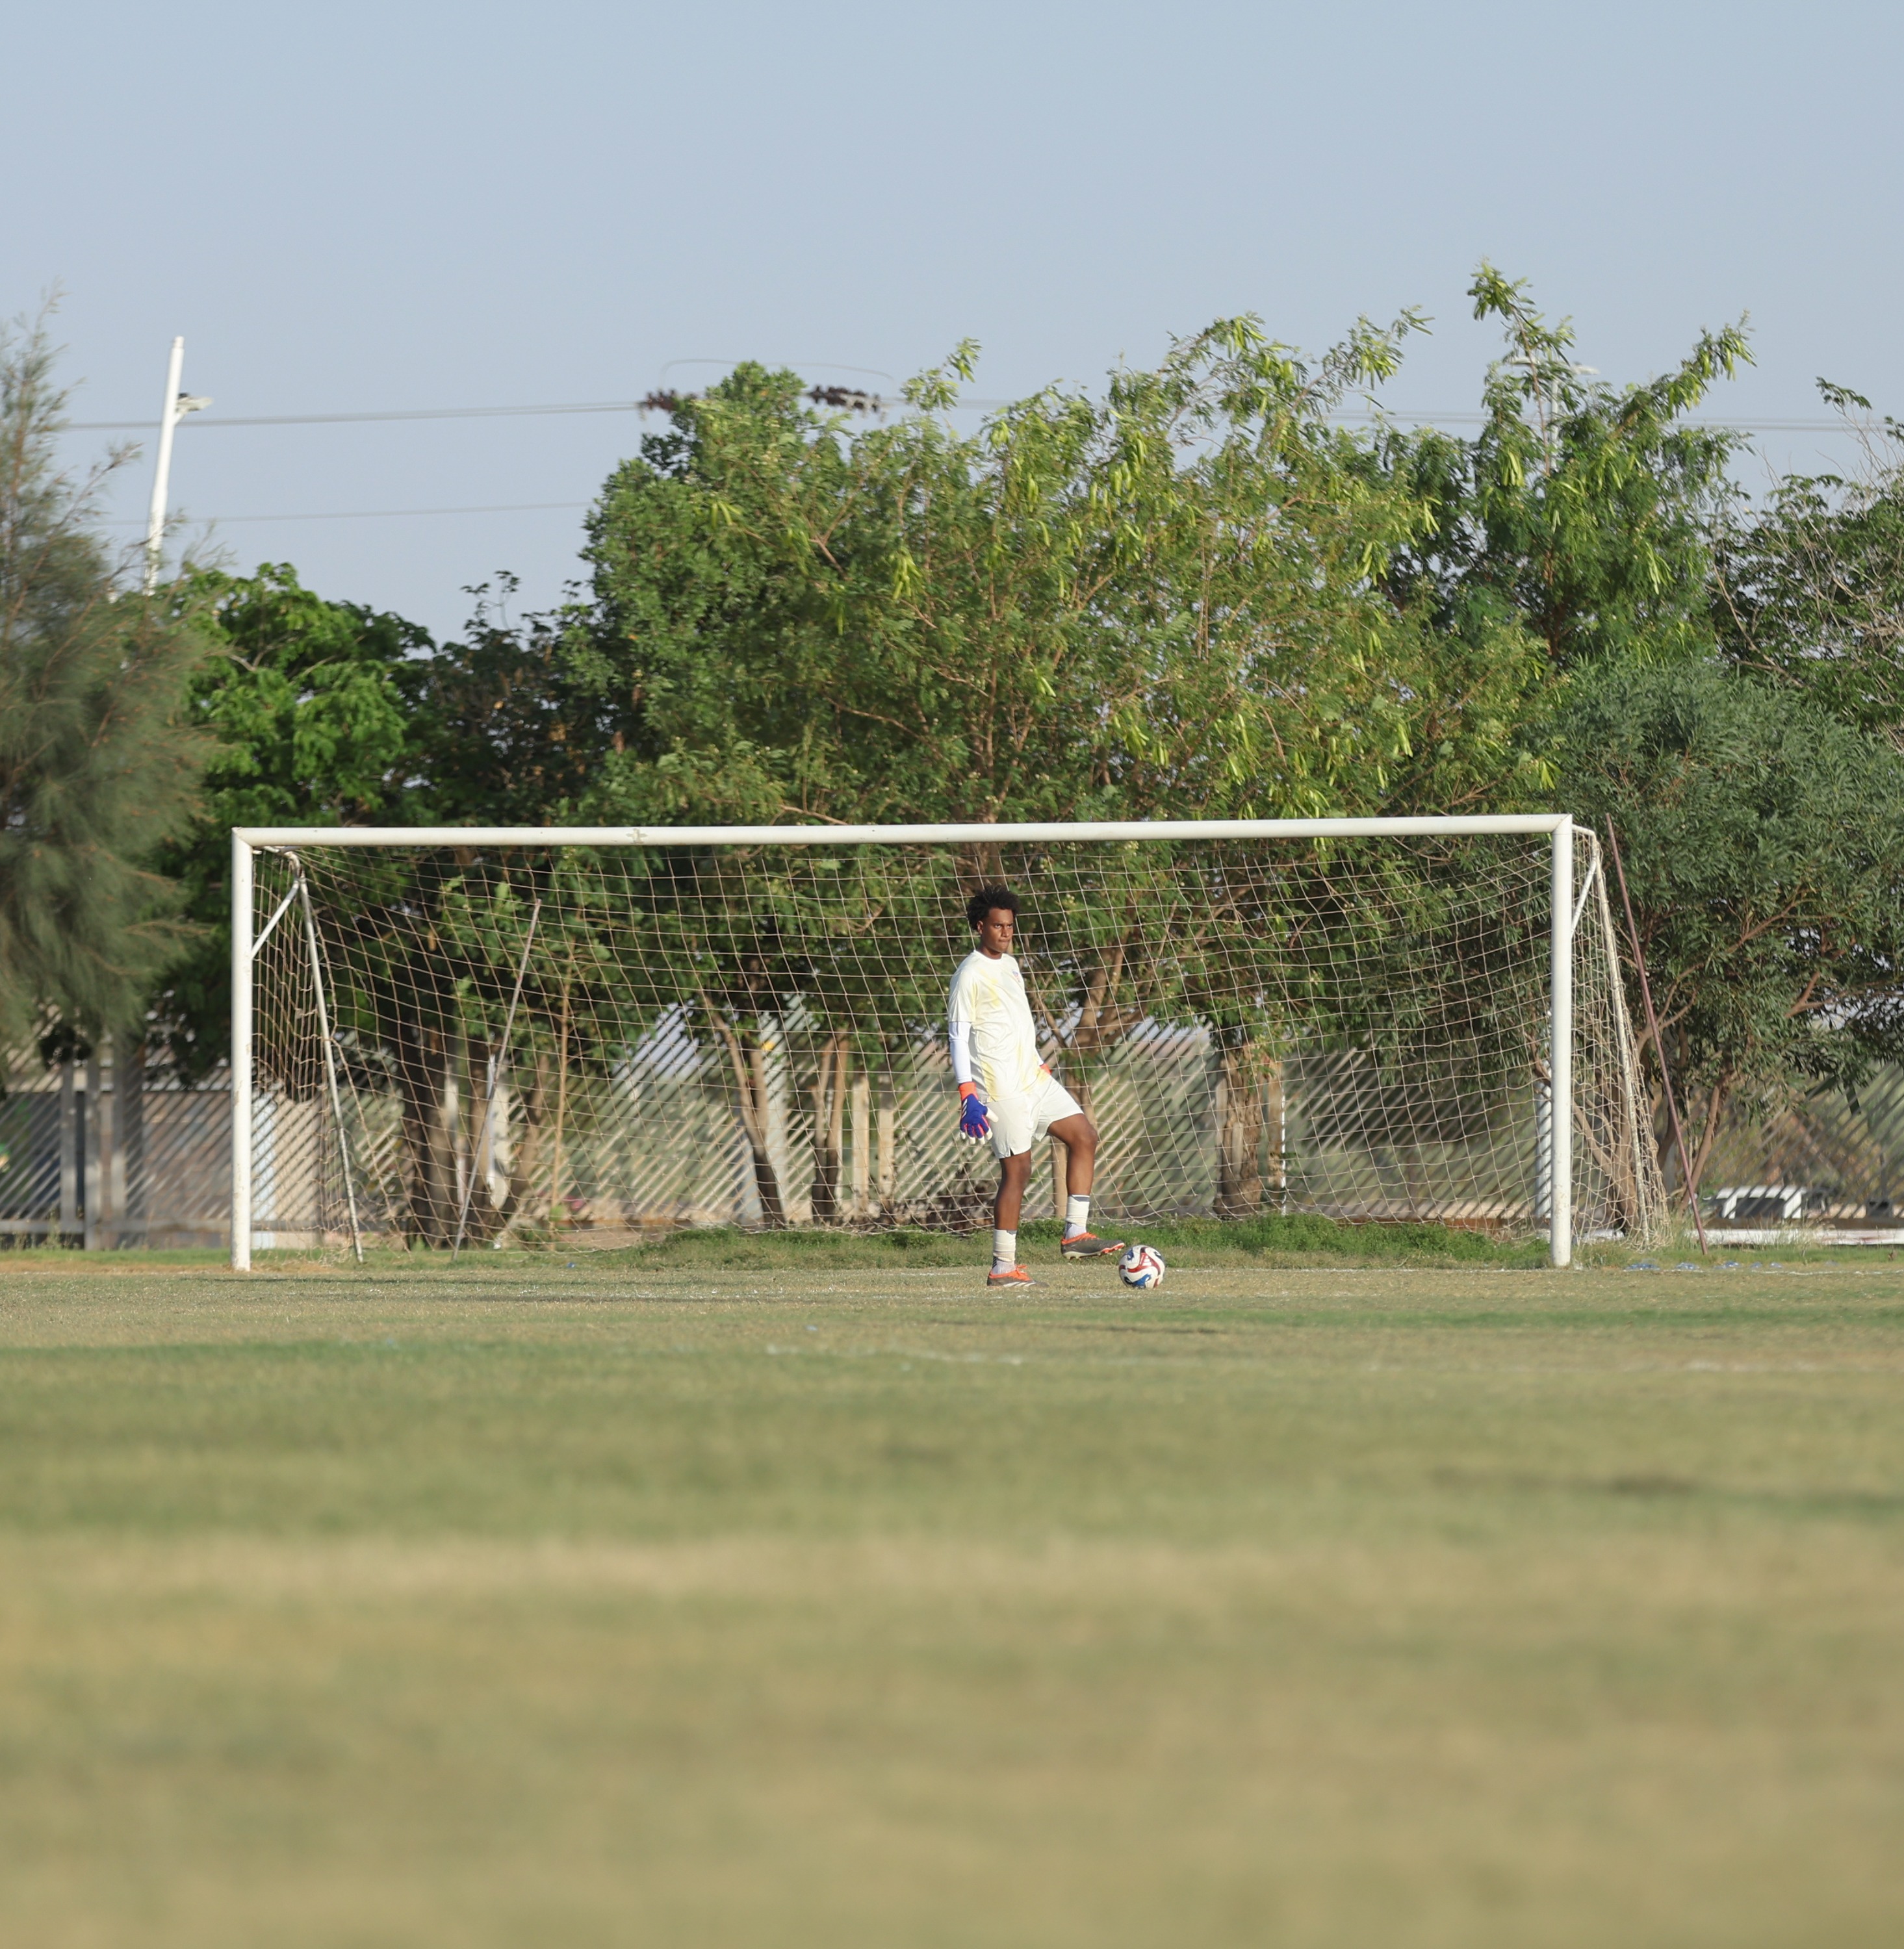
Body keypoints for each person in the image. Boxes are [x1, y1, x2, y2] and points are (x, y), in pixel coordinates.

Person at [949, 884, 1124, 1287]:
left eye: (1010, 926)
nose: (1005, 933)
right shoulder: (969, 975)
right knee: (1018, 1171)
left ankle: (1075, 1234)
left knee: (1084, 1136)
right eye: (998, 926)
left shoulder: (1011, 964)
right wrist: (967, 1091)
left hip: (1032, 1076)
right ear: (980, 927)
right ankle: (1003, 1267)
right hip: (1000, 1087)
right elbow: (958, 1036)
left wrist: (1035, 1059)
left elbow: (1014, 1020)